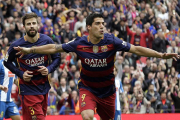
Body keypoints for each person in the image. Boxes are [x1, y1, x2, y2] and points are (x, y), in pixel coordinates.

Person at [14, 13, 179, 120]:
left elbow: (135, 48)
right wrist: (30, 49)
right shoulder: (79, 43)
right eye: (98, 23)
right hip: (87, 88)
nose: (102, 26)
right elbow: (55, 48)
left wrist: (160, 55)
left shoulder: (111, 40)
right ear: (89, 27)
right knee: (86, 116)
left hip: (107, 91)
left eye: (103, 23)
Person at [4, 13, 60, 120]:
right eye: (28, 24)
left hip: (43, 86)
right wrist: (20, 73)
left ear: (38, 25)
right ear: (24, 27)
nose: (32, 26)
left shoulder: (47, 40)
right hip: (27, 88)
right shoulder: (16, 45)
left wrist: (49, 69)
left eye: (34, 23)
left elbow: (57, 58)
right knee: (39, 118)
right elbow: (7, 62)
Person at [0, 44, 21, 120]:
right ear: (4, 52)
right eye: (8, 51)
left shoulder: (13, 64)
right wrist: (1, 86)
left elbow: (14, 80)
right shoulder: (0, 64)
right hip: (0, 99)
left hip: (9, 100)